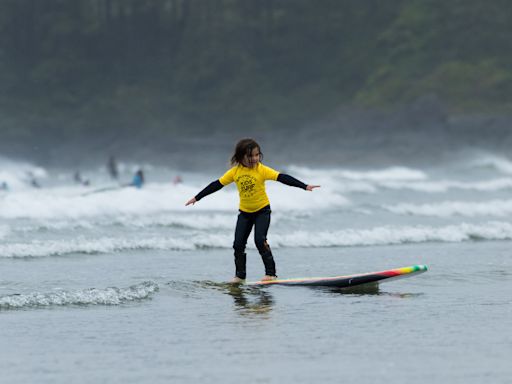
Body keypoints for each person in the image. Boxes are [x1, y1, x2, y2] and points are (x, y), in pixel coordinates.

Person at [185, 138, 320, 283]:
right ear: (240, 156)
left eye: (257, 155)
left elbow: (282, 177)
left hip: (262, 211)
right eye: (250, 156)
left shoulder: (261, 169)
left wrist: (304, 186)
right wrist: (197, 197)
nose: (255, 158)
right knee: (238, 244)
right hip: (245, 213)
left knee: (259, 240)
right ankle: (240, 276)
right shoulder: (235, 172)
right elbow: (216, 184)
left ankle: (271, 274)